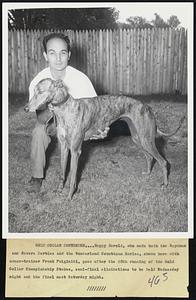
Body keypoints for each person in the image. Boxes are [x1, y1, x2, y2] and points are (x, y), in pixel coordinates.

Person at [27, 32, 109, 192]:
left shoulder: (81, 79)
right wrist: (52, 106)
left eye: (62, 53)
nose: (58, 58)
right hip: (51, 121)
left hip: (78, 124)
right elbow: (42, 118)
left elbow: (96, 111)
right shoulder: (39, 81)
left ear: (69, 55)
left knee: (89, 131)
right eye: (52, 53)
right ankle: (37, 177)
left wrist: (101, 129)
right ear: (45, 55)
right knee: (38, 132)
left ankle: (71, 181)